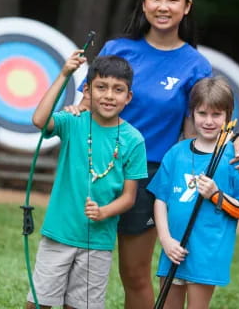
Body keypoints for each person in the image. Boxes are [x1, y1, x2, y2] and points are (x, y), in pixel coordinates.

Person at [65, 0, 239, 308]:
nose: (162, 7)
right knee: (77, 267)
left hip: (149, 178)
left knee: (135, 275)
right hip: (96, 168)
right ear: (144, 3)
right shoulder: (116, 48)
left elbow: (204, 124)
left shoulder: (194, 64)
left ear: (187, 7)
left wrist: (237, 138)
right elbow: (84, 107)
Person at [26, 52, 148, 309]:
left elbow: (129, 197)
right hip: (60, 233)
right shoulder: (73, 122)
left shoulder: (134, 140)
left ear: (129, 97)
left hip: (98, 242)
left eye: (118, 90)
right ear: (88, 91)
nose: (109, 95)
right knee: (39, 303)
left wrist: (104, 212)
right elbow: (39, 120)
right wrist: (64, 74)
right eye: (101, 87)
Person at [147, 76, 239, 309]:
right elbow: (160, 199)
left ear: (229, 117)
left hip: (207, 254)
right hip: (173, 249)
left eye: (216, 115)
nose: (208, 121)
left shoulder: (235, 158)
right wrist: (166, 240)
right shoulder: (176, 153)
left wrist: (217, 195)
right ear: (192, 113)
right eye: (202, 113)